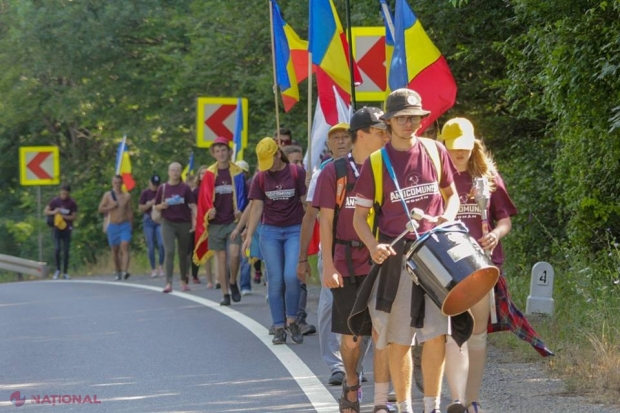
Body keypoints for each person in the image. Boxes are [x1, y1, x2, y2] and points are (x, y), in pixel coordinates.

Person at [349, 89, 466, 413]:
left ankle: (431, 406)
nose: (409, 123)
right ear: (389, 122)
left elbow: (452, 195)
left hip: (435, 254)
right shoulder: (376, 162)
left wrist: (449, 215)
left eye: (414, 117)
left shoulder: (435, 150)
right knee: (400, 339)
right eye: (402, 118)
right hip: (398, 258)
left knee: (436, 335)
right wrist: (374, 247)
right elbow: (359, 217)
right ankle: (404, 408)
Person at [441, 117, 553, 413]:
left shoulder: (488, 176)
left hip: (483, 265)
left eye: (464, 147)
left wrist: (495, 233)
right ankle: (455, 399)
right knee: (452, 330)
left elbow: (504, 219)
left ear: (473, 144)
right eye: (453, 148)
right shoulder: (438, 177)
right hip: (449, 266)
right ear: (444, 146)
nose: (459, 153)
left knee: (477, 332)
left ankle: (471, 400)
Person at [314, 107, 393, 413]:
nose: (386, 136)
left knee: (382, 332)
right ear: (362, 134)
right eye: (380, 131)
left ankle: (381, 400)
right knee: (351, 341)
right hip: (346, 262)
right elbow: (325, 221)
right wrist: (329, 266)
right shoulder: (333, 172)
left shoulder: (387, 168)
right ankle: (351, 381)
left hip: (381, 261)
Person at [297, 123, 353, 383]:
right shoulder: (322, 173)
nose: (341, 142)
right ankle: (336, 365)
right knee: (330, 305)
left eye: (345, 137)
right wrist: (302, 258)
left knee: (359, 309)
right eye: (336, 138)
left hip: (363, 252)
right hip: (330, 252)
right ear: (328, 145)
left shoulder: (367, 168)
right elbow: (310, 216)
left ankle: (355, 366)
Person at [242, 137, 306, 345]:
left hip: (294, 230)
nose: (267, 167)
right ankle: (279, 326)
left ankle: (293, 320)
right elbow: (256, 207)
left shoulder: (296, 172)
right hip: (269, 232)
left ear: (278, 153)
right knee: (275, 280)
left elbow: (306, 203)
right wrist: (250, 234)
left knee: (291, 276)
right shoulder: (261, 178)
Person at [194, 137, 248, 305]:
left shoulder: (238, 172)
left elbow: (246, 197)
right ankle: (225, 294)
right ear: (214, 154)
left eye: (223, 150)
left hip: (233, 221)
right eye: (217, 151)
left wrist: (241, 209)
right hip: (216, 223)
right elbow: (203, 198)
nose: (221, 153)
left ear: (229, 152)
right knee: (221, 259)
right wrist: (209, 211)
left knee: (234, 256)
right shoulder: (210, 173)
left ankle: (233, 282)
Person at [154, 162, 197, 293]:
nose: (175, 173)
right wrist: (162, 206)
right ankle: (168, 283)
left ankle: (184, 280)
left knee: (183, 253)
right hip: (168, 223)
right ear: (168, 172)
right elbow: (156, 206)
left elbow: (193, 205)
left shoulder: (185, 188)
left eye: (178, 170)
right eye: (173, 170)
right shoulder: (163, 188)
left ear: (180, 172)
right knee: (170, 251)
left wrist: (196, 222)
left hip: (184, 223)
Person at [98, 175, 133, 281]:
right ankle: (117, 270)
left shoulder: (127, 196)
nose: (117, 185)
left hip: (124, 224)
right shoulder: (108, 195)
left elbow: (130, 211)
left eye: (119, 182)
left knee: (125, 245)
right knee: (115, 250)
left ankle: (125, 271)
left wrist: (131, 225)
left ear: (122, 183)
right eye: (115, 183)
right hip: (113, 225)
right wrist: (111, 207)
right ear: (112, 183)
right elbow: (100, 208)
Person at [44, 183, 78, 280]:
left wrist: (64, 216)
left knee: (66, 250)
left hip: (67, 228)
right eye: (62, 194)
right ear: (60, 192)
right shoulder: (55, 201)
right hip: (57, 228)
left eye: (66, 194)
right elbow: (46, 211)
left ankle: (65, 272)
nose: (64, 196)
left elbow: (74, 216)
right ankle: (57, 270)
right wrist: (54, 212)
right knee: (57, 249)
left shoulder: (72, 203)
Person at [139, 174, 165, 278]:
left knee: (161, 243)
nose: (155, 187)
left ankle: (161, 266)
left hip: (159, 220)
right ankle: (153, 268)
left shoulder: (162, 192)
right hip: (148, 220)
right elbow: (141, 208)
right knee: (150, 246)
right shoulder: (145, 193)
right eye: (154, 184)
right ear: (150, 183)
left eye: (157, 184)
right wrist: (150, 204)